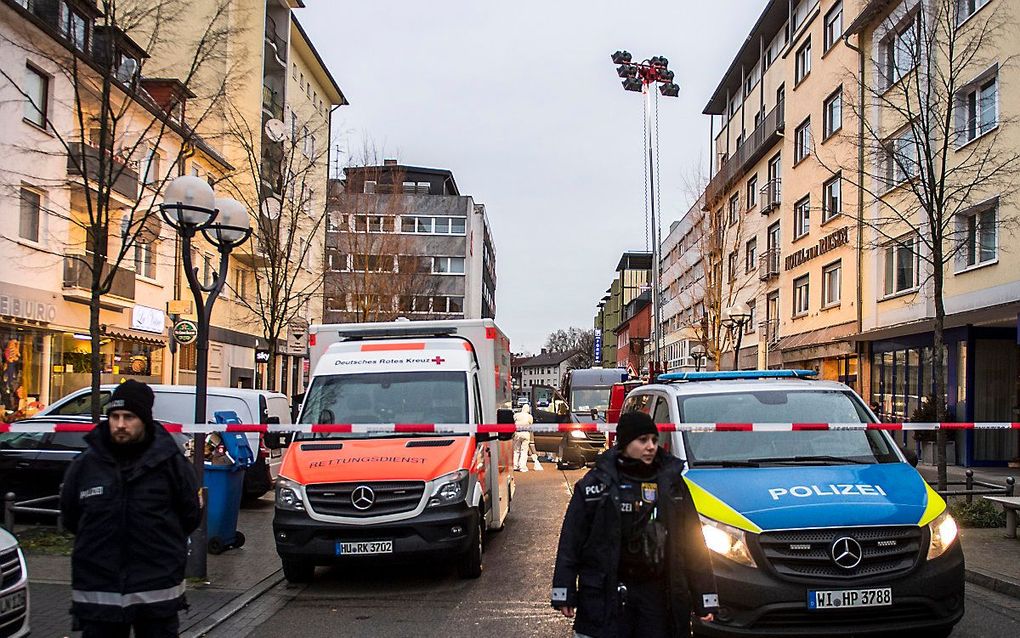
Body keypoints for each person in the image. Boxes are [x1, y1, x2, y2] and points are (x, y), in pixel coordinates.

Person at [551, 411, 718, 638]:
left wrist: (704, 597)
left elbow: (693, 542)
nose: (650, 446)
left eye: (654, 440)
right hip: (607, 592)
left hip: (657, 595)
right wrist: (565, 591)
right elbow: (571, 540)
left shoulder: (671, 484)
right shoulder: (596, 485)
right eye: (643, 440)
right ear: (626, 443)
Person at [60, 380, 201, 638]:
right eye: (114, 416)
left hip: (156, 592)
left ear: (145, 420)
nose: (121, 424)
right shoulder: (85, 465)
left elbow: (189, 515)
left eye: (129, 417)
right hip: (99, 594)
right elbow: (71, 517)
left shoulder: (171, 465)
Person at [513, 404, 534, 472]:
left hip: (517, 433)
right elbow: (531, 424)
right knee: (524, 451)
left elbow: (513, 421)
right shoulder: (529, 416)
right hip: (525, 433)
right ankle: (522, 467)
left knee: (516, 450)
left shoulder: (516, 415)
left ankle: (515, 465)